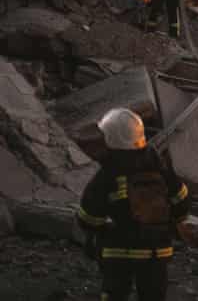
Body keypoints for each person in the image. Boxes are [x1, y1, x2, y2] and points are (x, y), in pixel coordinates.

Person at [76, 108, 191, 301]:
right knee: (154, 294)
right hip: (158, 250)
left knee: (115, 293)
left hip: (118, 251)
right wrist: (171, 224)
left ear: (109, 140)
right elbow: (182, 201)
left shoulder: (107, 174)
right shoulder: (159, 167)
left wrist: (97, 232)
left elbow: (89, 217)